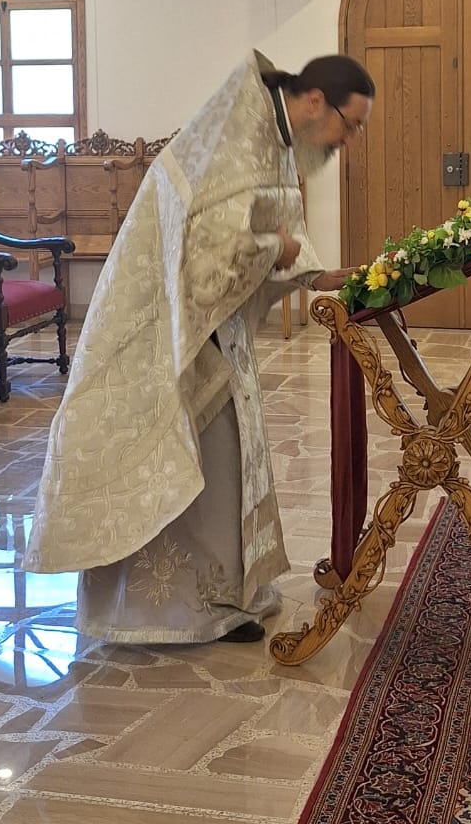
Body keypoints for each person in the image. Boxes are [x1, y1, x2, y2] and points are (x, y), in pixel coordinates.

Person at [24, 50, 375, 645]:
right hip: (171, 327)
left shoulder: (269, 134)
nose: (349, 140)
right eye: (351, 124)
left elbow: (263, 225)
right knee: (191, 453)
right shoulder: (236, 134)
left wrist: (314, 274)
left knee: (226, 457)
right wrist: (276, 250)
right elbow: (210, 254)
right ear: (317, 101)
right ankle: (174, 610)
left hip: (215, 326)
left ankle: (225, 594)